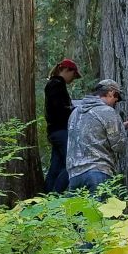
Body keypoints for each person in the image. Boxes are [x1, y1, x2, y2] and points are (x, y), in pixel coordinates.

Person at [67, 79, 128, 194]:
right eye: (117, 97)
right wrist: (120, 129)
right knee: (101, 211)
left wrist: (119, 126)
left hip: (74, 176)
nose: (116, 100)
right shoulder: (107, 111)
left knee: (79, 212)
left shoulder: (75, 113)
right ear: (111, 92)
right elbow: (119, 146)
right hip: (98, 173)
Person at [44, 59, 81, 193]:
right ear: (66, 70)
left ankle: (46, 198)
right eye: (73, 75)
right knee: (71, 164)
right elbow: (58, 109)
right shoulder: (56, 85)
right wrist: (72, 109)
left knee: (56, 167)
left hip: (55, 131)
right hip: (61, 131)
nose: (73, 79)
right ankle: (55, 195)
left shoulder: (55, 84)